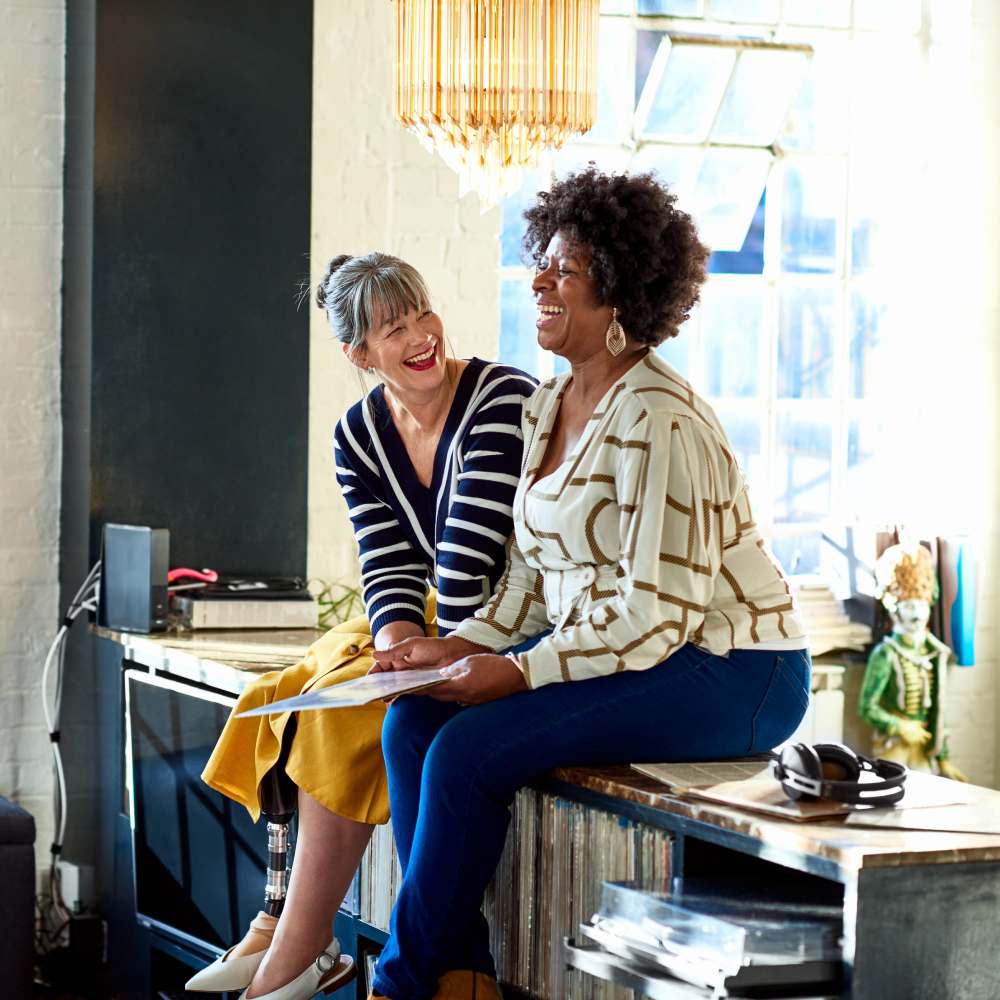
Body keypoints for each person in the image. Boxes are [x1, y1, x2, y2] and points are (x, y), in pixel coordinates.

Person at [368, 168, 811, 1000]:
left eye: (562, 270)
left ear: (618, 297)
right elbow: (532, 575)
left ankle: (401, 985)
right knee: (414, 719)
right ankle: (462, 978)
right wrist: (458, 646)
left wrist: (520, 670)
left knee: (468, 753)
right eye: (541, 261)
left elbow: (653, 617)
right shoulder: (550, 404)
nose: (538, 278)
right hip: (643, 649)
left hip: (731, 668)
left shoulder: (661, 419)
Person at [185, 253, 536, 1000]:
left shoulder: (501, 397)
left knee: (345, 713)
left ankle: (298, 940)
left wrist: (408, 655)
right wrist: (393, 646)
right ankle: (286, 928)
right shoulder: (358, 434)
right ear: (358, 353)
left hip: (512, 626)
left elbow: (470, 567)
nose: (421, 338)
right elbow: (387, 570)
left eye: (423, 315)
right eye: (393, 329)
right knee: (300, 691)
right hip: (437, 624)